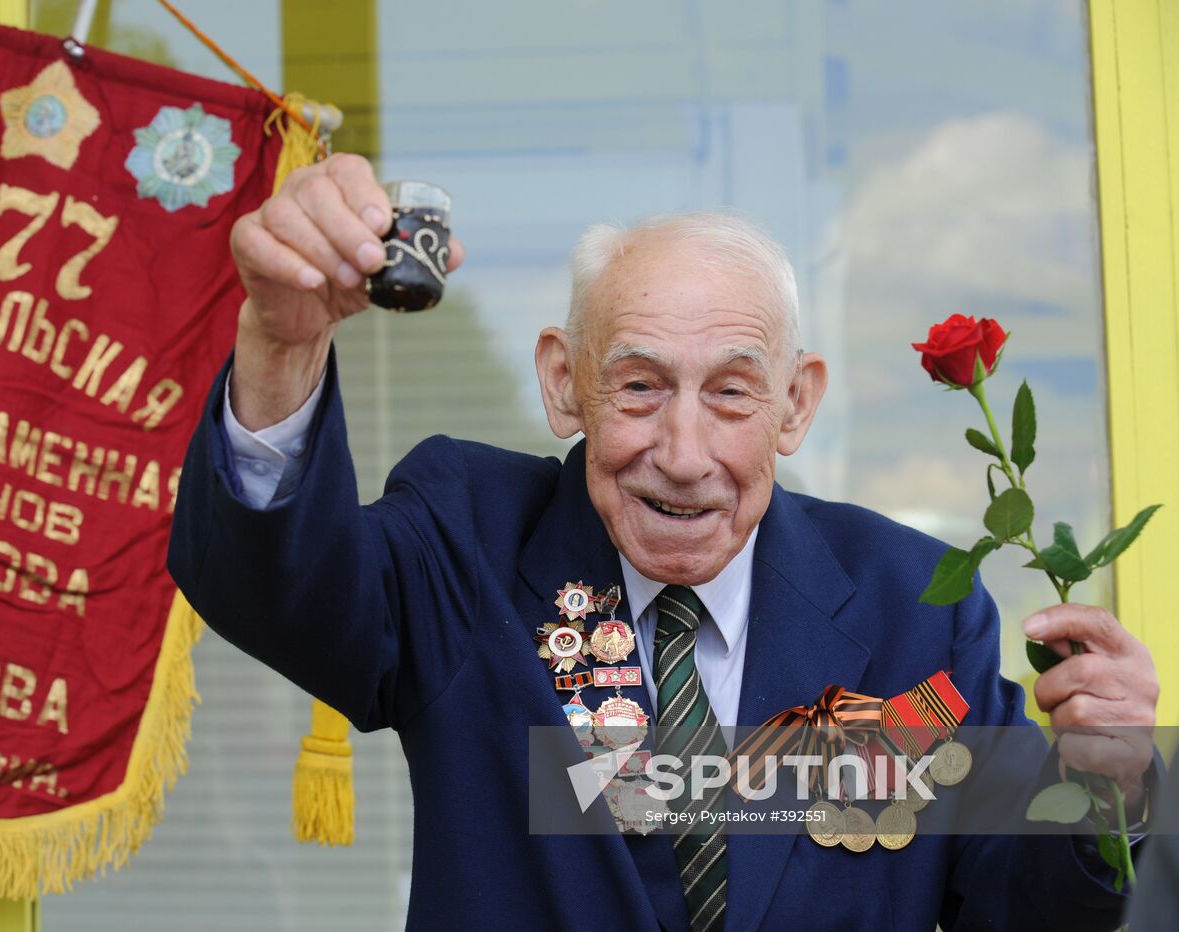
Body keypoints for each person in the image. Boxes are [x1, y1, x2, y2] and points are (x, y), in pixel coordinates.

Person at [167, 153, 1159, 931]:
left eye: (729, 391)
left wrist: (1100, 786)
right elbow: (281, 587)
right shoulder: (467, 533)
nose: (683, 455)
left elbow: (1019, 906)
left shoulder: (912, 605)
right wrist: (282, 343)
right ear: (564, 383)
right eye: (638, 384)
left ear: (794, 403)